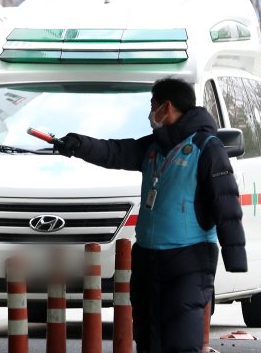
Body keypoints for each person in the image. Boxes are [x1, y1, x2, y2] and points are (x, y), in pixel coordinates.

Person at [54, 78, 247, 353]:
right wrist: (78, 145)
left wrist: (235, 257)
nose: (150, 113)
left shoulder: (207, 147)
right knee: (148, 340)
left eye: (152, 105)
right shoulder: (154, 146)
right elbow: (114, 152)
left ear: (166, 107)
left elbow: (226, 202)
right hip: (148, 259)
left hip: (189, 260)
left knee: (180, 342)